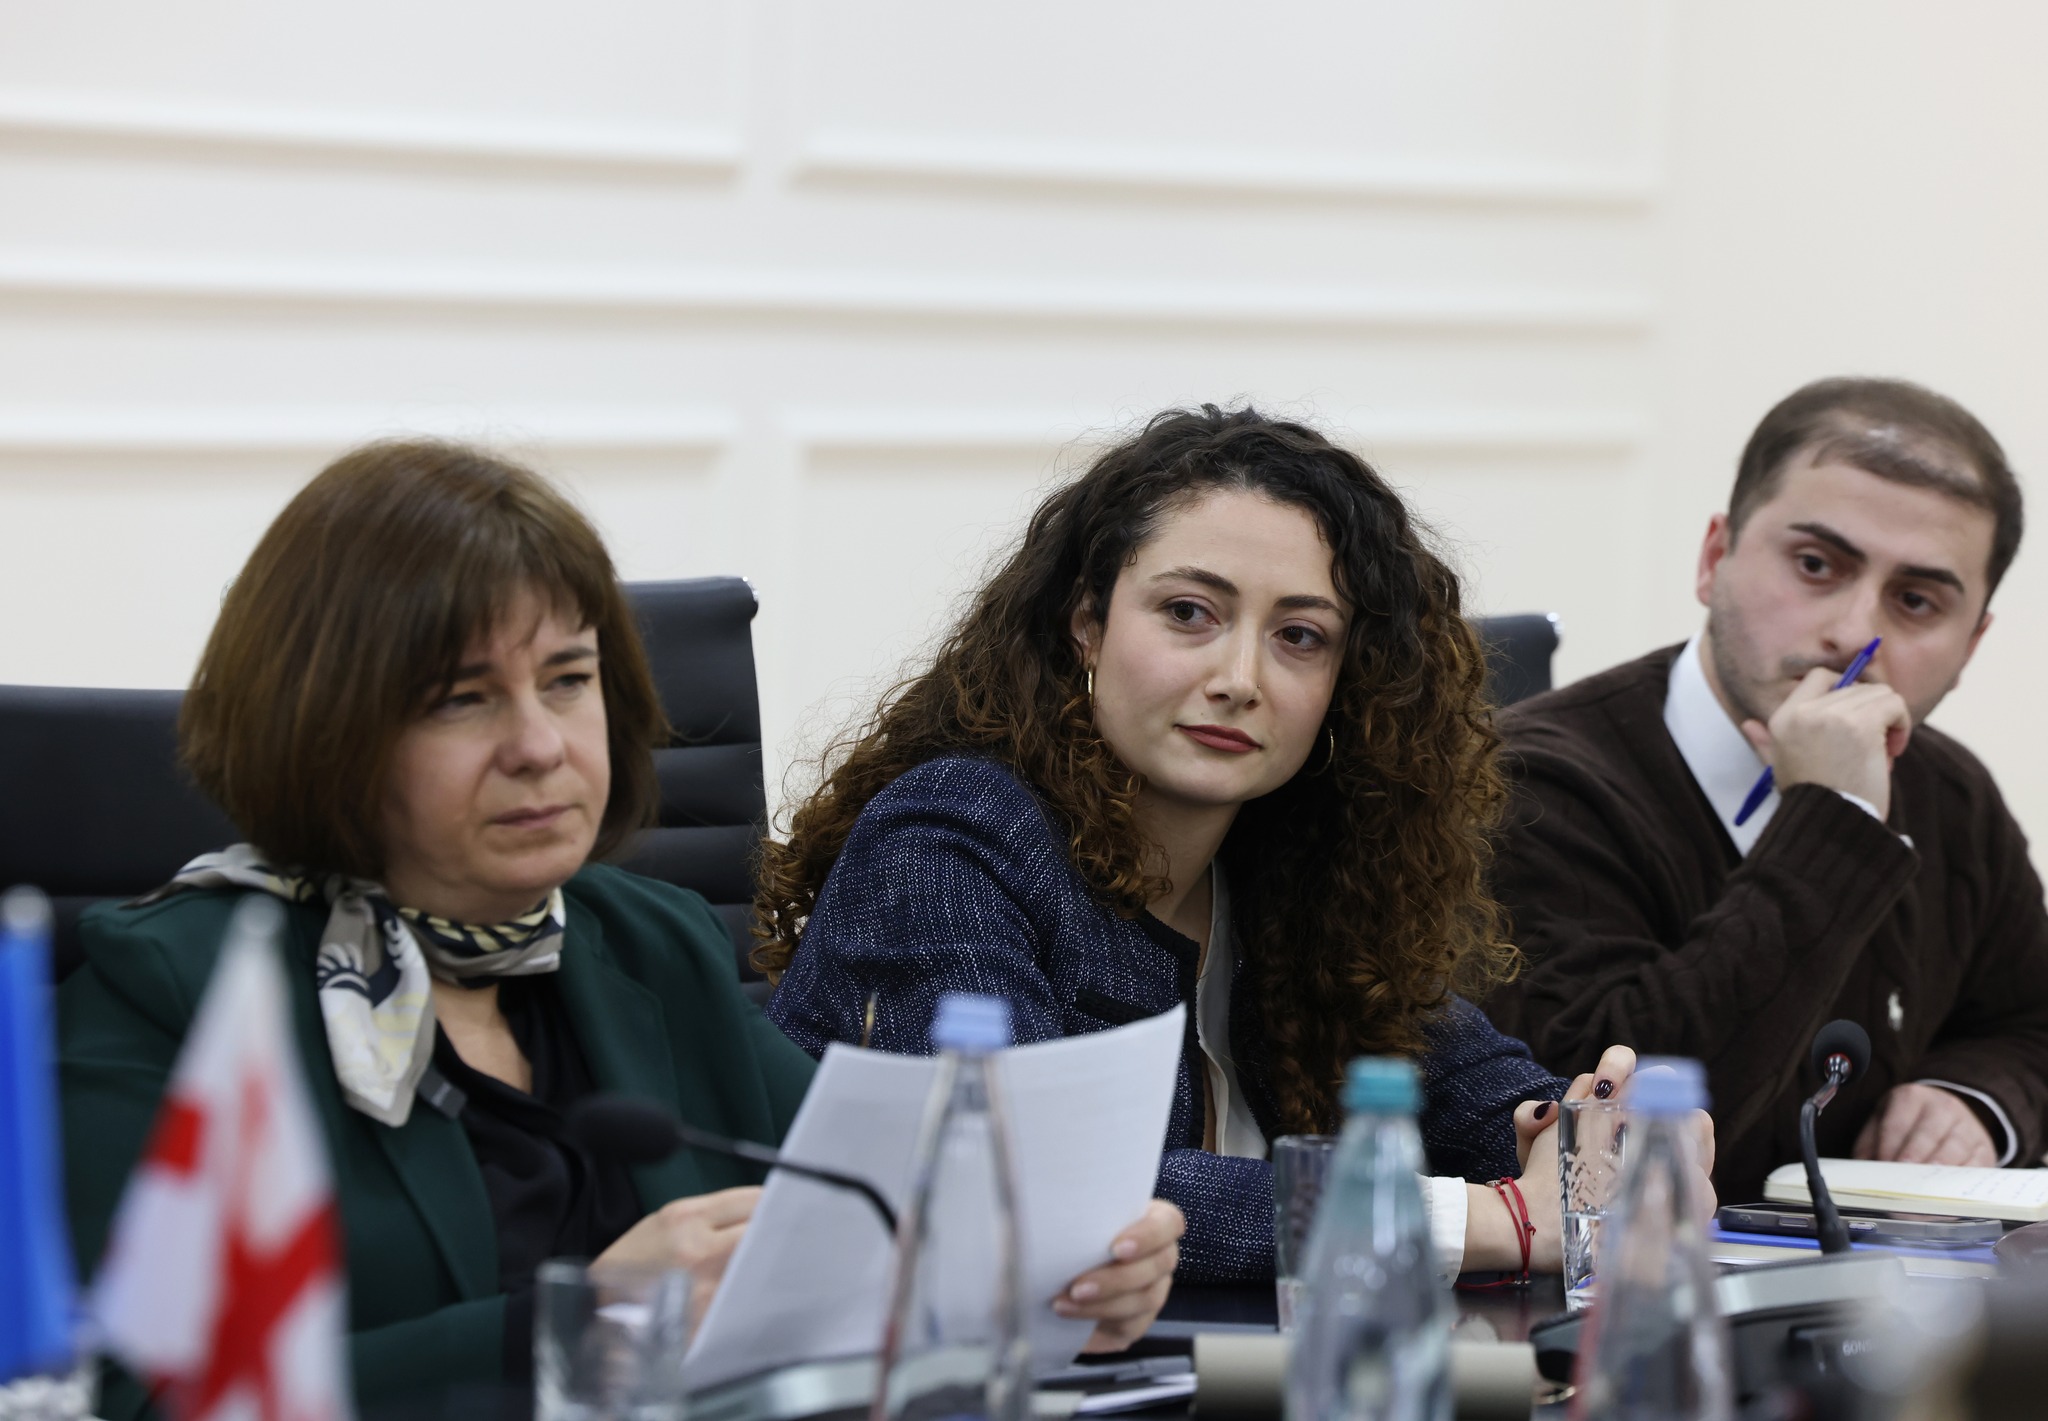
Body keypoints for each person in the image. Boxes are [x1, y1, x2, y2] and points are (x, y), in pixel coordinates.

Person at [56, 441, 1182, 1419]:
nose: (540, 744)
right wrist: (578, 1323)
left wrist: (1051, 1272)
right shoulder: (176, 991)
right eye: (463, 698)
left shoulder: (648, 941)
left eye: (567, 679)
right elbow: (121, 1395)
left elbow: (875, 1218)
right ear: (322, 729)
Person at [758, 406, 1704, 1283]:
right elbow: (1027, 1180)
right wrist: (1497, 1221)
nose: (1239, 678)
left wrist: (1604, 1143)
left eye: (1300, 635)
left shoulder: (1289, 866)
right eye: (1188, 613)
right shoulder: (952, 838)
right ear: (1086, 623)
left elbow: (1473, 1086)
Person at [1485, 377, 2048, 1203]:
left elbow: (2028, 1023)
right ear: (1714, 559)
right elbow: (1605, 1125)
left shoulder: (1950, 793)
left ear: (1970, 645)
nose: (1855, 634)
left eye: (1916, 600)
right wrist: (1834, 823)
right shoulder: (1531, 783)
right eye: (1815, 565)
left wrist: (1976, 1100)